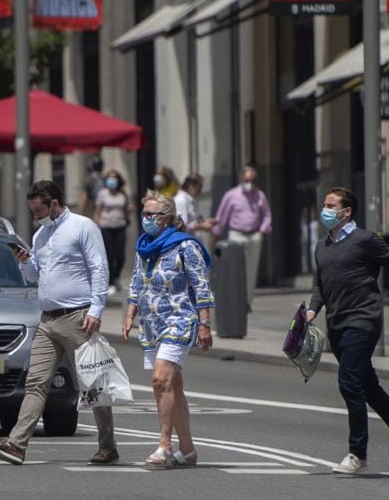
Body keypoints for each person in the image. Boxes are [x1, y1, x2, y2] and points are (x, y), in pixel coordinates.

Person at [0, 180, 118, 466]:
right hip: (48, 320)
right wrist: (24, 261)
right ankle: (17, 444)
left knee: (92, 383)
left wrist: (96, 309)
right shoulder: (41, 234)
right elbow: (34, 275)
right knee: (35, 382)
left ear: (54, 203)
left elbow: (99, 267)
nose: (35, 215)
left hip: (77, 317)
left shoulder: (83, 226)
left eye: (38, 209)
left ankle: (108, 445)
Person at [305, 187, 389, 476]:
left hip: (363, 320)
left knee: (349, 384)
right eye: (324, 205)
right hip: (336, 324)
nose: (326, 210)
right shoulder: (322, 246)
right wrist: (312, 310)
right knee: (367, 386)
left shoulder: (366, 240)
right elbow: (319, 285)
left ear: (346, 212)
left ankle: (358, 453)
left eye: (331, 205)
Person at [122, 192, 214, 468]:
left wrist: (204, 324)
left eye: (151, 215)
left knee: (160, 380)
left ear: (167, 219)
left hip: (179, 319)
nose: (146, 220)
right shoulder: (144, 247)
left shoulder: (185, 246)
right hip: (151, 324)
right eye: (144, 214)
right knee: (172, 385)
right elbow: (137, 283)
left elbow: (201, 286)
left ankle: (164, 445)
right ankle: (187, 449)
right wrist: (130, 315)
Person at [211, 165, 272, 312]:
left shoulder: (260, 195)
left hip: (254, 236)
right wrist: (216, 234)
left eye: (252, 180)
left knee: (251, 271)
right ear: (241, 179)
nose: (249, 182)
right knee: (235, 269)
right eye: (246, 179)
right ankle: (235, 299)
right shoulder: (231, 195)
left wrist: (262, 231)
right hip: (236, 235)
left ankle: (247, 302)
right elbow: (221, 216)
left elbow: (267, 215)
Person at [93, 169, 133, 297]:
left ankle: (116, 276)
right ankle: (110, 281)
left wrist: (129, 211)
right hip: (106, 226)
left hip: (120, 226)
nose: (112, 180)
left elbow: (127, 208)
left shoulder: (122, 194)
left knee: (120, 255)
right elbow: (98, 210)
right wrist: (95, 225)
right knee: (109, 255)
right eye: (110, 178)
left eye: (114, 178)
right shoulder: (103, 194)